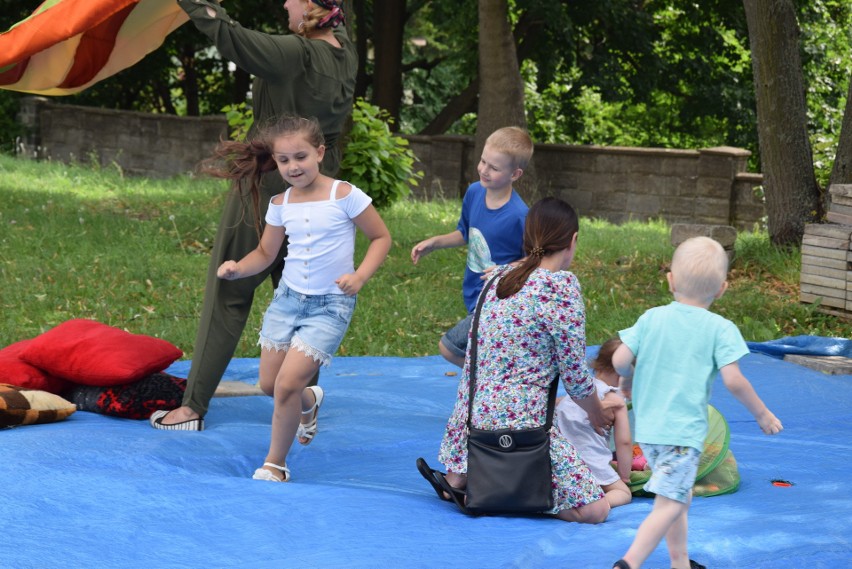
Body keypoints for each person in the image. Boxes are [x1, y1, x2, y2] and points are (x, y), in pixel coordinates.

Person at [150, 0, 356, 431]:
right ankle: (304, 401)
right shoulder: (345, 51)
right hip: (320, 187)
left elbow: (232, 38)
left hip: (269, 183)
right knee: (305, 290)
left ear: (315, 6)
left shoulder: (296, 55)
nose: (284, 3)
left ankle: (192, 407)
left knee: (230, 286)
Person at [197, 115, 390, 481]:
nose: (292, 166)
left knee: (286, 385)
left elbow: (381, 238)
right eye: (283, 160)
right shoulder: (280, 202)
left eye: (300, 157)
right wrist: (238, 267)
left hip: (329, 305)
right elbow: (266, 254)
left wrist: (359, 276)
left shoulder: (344, 195)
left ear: (319, 152)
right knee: (271, 385)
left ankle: (275, 464)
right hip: (287, 301)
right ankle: (309, 401)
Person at [417, 197, 616, 524]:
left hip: (474, 420)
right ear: (573, 241)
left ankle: (467, 480)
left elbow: (473, 363)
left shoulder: (498, 278)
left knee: (474, 467)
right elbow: (576, 377)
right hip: (527, 432)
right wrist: (596, 414)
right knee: (596, 510)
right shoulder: (560, 287)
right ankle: (514, 496)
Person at [610, 236, 783, 569]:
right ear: (721, 289)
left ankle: (680, 563)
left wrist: (627, 379)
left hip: (649, 431)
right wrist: (762, 414)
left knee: (678, 496)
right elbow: (734, 380)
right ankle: (628, 563)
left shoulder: (651, 318)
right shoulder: (720, 328)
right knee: (671, 503)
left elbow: (619, 359)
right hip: (683, 434)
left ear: (670, 280)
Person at [410, 127, 531, 367]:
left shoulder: (520, 215)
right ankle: (497, 382)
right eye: (483, 161)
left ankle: (492, 380)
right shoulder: (475, 192)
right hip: (475, 295)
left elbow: (534, 260)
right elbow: (465, 233)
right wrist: (435, 243)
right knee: (488, 352)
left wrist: (505, 269)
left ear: (515, 174)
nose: (484, 170)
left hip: (499, 301)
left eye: (494, 168)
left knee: (449, 347)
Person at [555, 337, 633, 508]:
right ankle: (597, 504)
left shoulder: (576, 393)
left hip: (560, 461)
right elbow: (624, 442)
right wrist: (624, 477)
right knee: (623, 494)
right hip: (589, 460)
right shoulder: (614, 399)